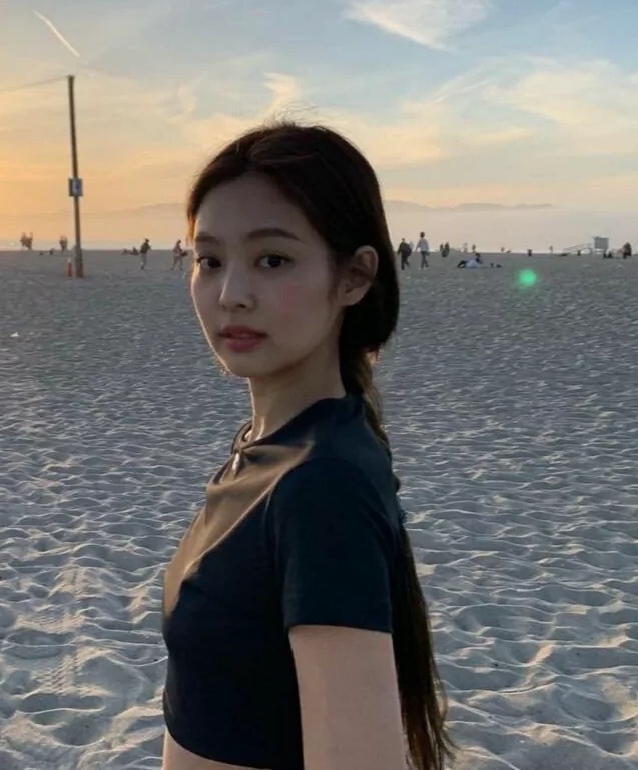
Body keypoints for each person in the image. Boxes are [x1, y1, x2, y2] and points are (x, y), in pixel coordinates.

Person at [161, 122, 454, 770]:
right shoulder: (270, 447)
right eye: (210, 260)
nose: (231, 294)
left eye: (272, 259)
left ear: (354, 277)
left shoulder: (322, 485)